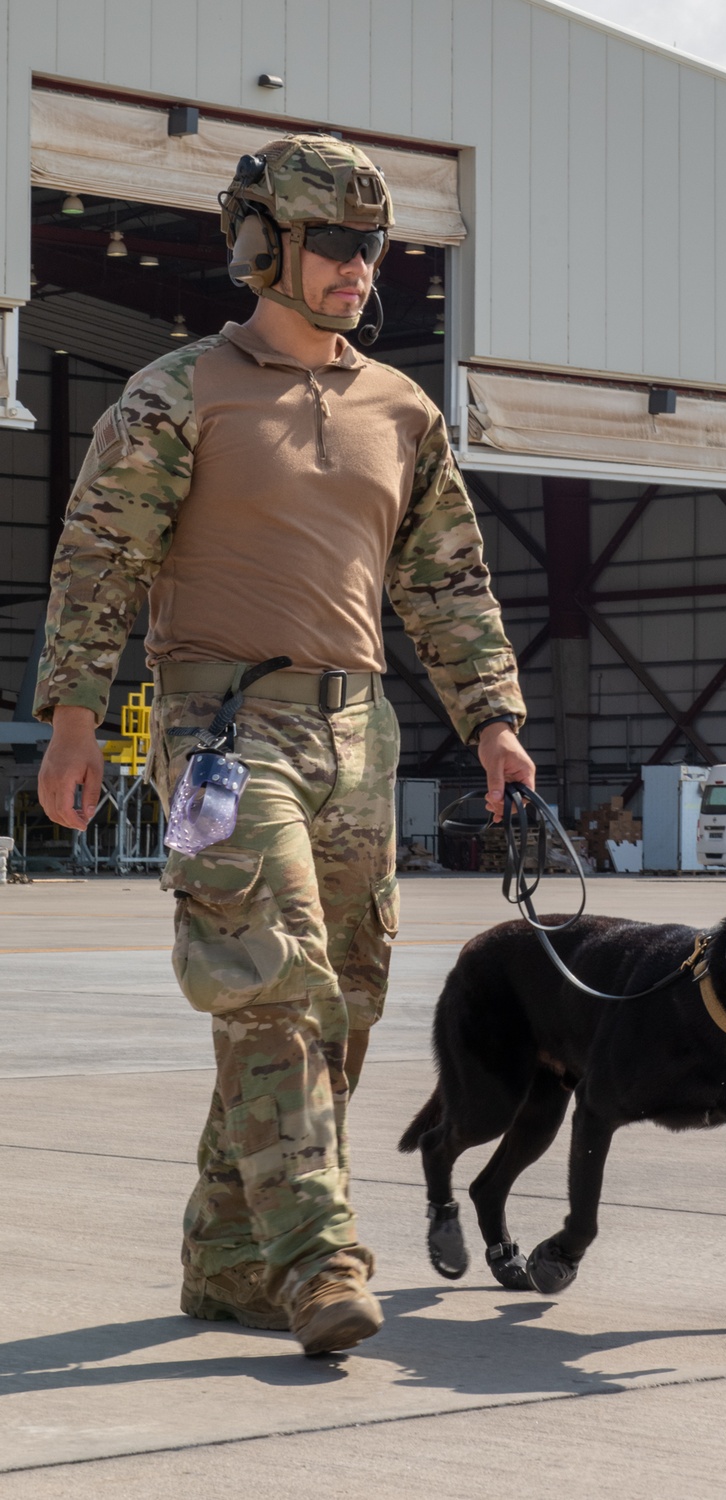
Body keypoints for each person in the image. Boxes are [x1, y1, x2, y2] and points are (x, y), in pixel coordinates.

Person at [33, 135, 536, 1356]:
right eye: (334, 245)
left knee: (343, 1004)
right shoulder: (178, 392)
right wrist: (74, 723)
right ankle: (319, 1259)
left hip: (359, 733)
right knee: (273, 983)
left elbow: (448, 582)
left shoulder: (402, 409)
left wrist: (496, 720)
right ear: (265, 247)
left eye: (373, 247)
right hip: (219, 736)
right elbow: (103, 559)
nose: (359, 268)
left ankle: (228, 1261)